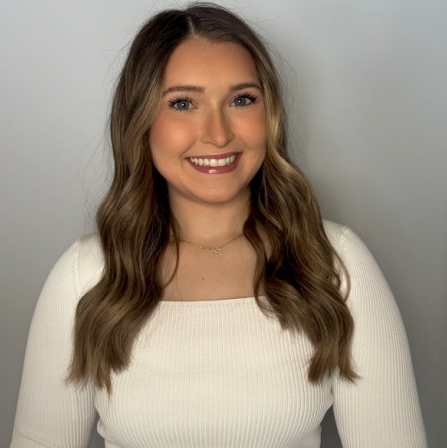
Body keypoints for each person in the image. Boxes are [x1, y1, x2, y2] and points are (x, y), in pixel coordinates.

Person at [10, 3, 427, 447]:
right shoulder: (87, 276)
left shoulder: (333, 263)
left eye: (241, 99)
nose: (218, 133)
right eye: (183, 103)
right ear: (141, 119)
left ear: (270, 116)